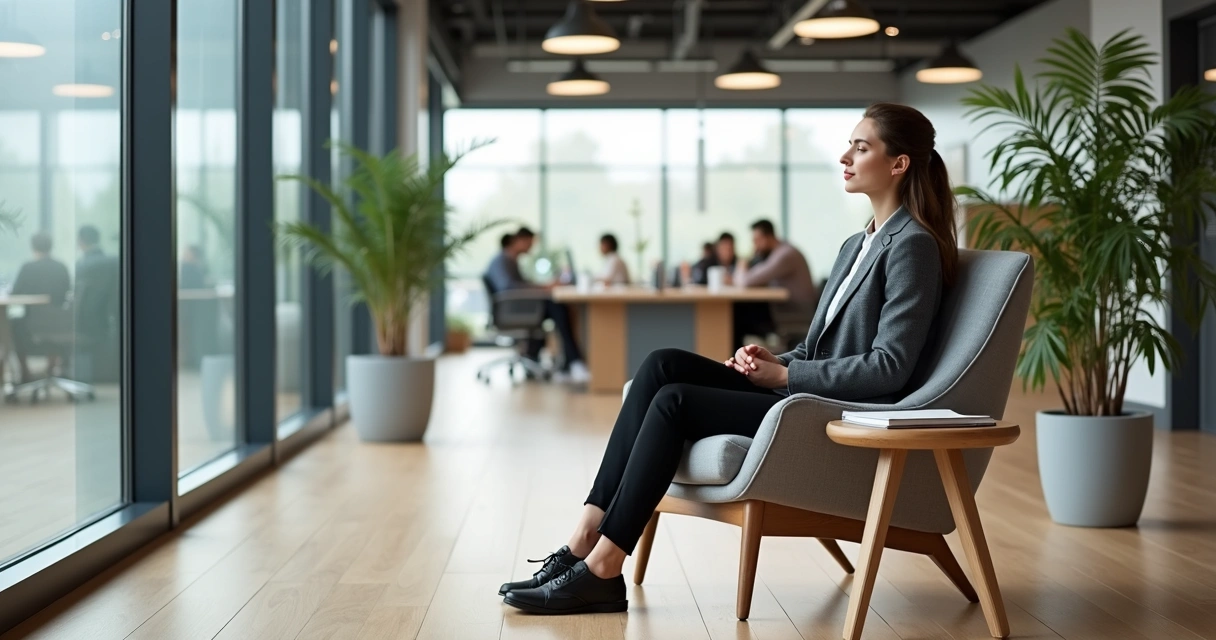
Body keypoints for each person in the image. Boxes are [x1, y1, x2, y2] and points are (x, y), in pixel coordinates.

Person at [499, 103, 959, 615]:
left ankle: (605, 568)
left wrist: (786, 375)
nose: (844, 157)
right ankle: (584, 536)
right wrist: (770, 359)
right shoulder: (858, 244)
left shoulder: (912, 245)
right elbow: (815, 347)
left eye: (861, 147)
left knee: (675, 402)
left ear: (899, 164)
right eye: (850, 144)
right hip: (803, 388)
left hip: (835, 411)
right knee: (660, 364)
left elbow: (890, 367)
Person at [485, 227, 589, 384]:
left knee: (556, 306)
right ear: (519, 241)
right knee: (557, 307)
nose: (531, 248)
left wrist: (543, 287)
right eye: (529, 243)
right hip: (510, 311)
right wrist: (544, 289)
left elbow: (521, 285)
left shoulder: (509, 260)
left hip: (514, 308)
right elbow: (509, 288)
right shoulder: (502, 260)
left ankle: (566, 363)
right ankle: (573, 362)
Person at [733, 219, 818, 346]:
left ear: (767, 237)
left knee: (738, 313)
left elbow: (745, 281)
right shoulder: (781, 252)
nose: (754, 245)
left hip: (792, 312)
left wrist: (742, 263)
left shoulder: (785, 255)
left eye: (756, 240)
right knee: (740, 311)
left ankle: (735, 359)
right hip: (784, 307)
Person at [8, 232, 72, 382]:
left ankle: (25, 372)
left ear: (33, 247)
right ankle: (50, 368)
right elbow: (66, 292)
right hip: (61, 324)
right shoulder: (61, 267)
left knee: (14, 324)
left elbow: (15, 294)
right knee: (51, 329)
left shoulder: (28, 268)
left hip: (32, 326)